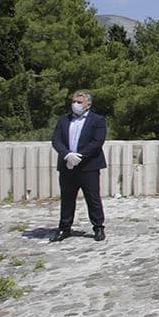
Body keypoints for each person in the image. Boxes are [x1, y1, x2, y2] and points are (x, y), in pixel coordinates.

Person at [48, 90, 107, 243]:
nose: (76, 105)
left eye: (79, 102)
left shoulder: (97, 120)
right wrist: (67, 155)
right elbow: (56, 140)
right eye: (74, 102)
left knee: (92, 197)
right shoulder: (63, 120)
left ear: (88, 104)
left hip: (88, 166)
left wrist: (79, 156)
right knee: (67, 198)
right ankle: (64, 227)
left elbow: (97, 142)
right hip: (67, 165)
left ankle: (98, 227)